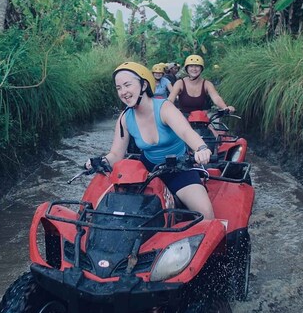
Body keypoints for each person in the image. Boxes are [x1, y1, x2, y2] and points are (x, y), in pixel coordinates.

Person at [86, 62, 215, 220]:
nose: (123, 92)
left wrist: (201, 148)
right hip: (145, 173)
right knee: (102, 210)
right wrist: (100, 161)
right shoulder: (125, 118)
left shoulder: (164, 108)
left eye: (127, 85)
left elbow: (186, 132)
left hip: (179, 169)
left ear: (143, 84)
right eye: (119, 88)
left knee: (206, 214)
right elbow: (116, 154)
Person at [167, 54, 235, 115]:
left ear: (201, 68)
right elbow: (170, 99)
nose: (194, 69)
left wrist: (225, 107)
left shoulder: (207, 84)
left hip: (200, 120)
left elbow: (216, 98)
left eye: (197, 66)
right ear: (187, 69)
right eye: (191, 66)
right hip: (182, 119)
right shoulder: (180, 83)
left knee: (213, 129)